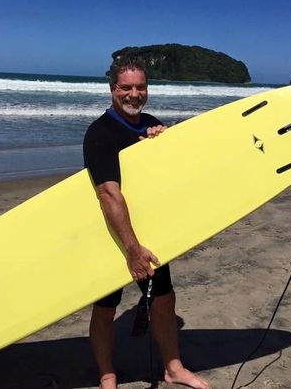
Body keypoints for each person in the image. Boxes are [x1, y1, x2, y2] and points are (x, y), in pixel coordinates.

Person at [83, 57, 210, 389]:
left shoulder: (153, 125)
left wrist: (162, 145)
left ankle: (173, 368)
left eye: (140, 87)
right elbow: (108, 194)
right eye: (126, 87)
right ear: (113, 89)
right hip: (113, 234)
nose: (133, 94)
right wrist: (131, 249)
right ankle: (107, 374)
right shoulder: (100, 134)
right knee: (106, 307)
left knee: (164, 299)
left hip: (149, 231)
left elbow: (172, 179)